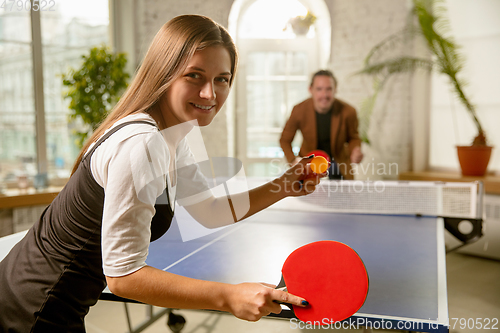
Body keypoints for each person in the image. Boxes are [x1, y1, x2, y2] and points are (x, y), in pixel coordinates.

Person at [0, 15, 326, 332]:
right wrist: (227, 296)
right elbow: (123, 276)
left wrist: (284, 185)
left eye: (221, 79)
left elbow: (209, 211)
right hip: (34, 308)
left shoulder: (172, 133)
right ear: (165, 72)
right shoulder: (142, 143)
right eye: (194, 76)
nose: (210, 94)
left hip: (38, 296)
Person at [279, 70, 363, 180]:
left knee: (342, 196)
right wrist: (293, 161)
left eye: (329, 89)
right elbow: (284, 140)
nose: (324, 95)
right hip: (309, 165)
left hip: (338, 165)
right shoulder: (298, 110)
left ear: (335, 89)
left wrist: (355, 150)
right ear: (310, 90)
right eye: (319, 89)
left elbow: (353, 138)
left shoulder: (349, 111)